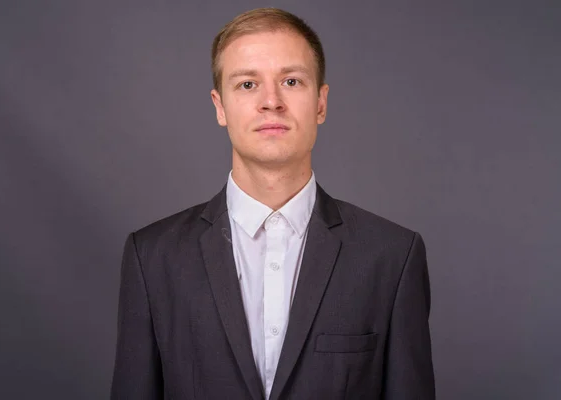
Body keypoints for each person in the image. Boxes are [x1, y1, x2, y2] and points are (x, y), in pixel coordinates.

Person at [111, 7, 435, 400]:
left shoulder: (392, 257)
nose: (271, 101)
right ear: (219, 106)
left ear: (320, 102)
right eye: (247, 84)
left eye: (292, 81)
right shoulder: (152, 257)